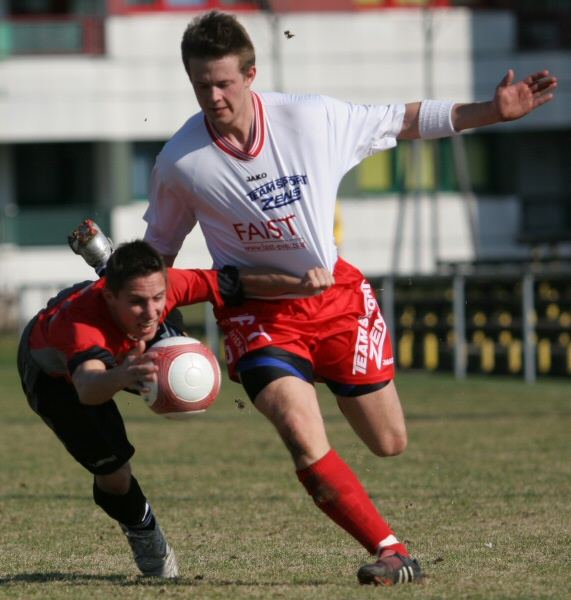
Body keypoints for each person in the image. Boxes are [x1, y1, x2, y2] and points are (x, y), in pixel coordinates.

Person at [140, 10, 558, 586]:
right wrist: (146, 324)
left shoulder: (311, 119)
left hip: (337, 300)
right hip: (258, 313)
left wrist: (490, 112)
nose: (213, 96)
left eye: (224, 83)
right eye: (201, 85)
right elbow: (157, 254)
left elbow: (403, 120)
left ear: (251, 74)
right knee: (295, 423)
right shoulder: (181, 162)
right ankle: (390, 550)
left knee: (388, 442)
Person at [18, 239, 333, 579]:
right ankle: (142, 529)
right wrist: (123, 374)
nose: (151, 309)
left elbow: (237, 282)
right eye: (137, 301)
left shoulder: (166, 287)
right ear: (111, 297)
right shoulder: (81, 327)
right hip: (58, 377)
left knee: (168, 339)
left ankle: (112, 266)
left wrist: (299, 285)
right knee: (115, 476)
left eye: (157, 297)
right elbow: (87, 388)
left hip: (125, 345)